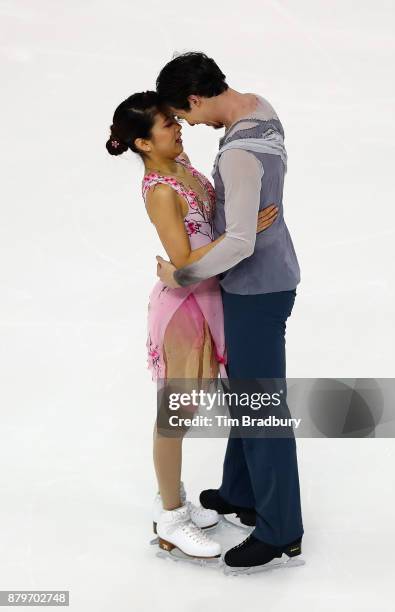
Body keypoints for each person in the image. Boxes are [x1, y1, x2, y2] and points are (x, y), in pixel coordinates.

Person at [105, 91, 278, 561]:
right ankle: (171, 517)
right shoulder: (161, 189)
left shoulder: (181, 162)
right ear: (142, 143)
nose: (178, 127)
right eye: (166, 125)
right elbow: (181, 260)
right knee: (176, 416)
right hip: (185, 308)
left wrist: (239, 225)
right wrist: (241, 236)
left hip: (211, 298)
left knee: (198, 404)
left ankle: (174, 499)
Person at [155, 52, 304, 570]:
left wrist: (182, 274)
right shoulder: (260, 107)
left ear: (195, 98)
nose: (189, 124)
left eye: (185, 114)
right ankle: (241, 493)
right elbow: (250, 217)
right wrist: (245, 214)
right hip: (271, 275)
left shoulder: (238, 153)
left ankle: (281, 528)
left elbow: (239, 243)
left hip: (255, 289)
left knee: (262, 408)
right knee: (246, 392)